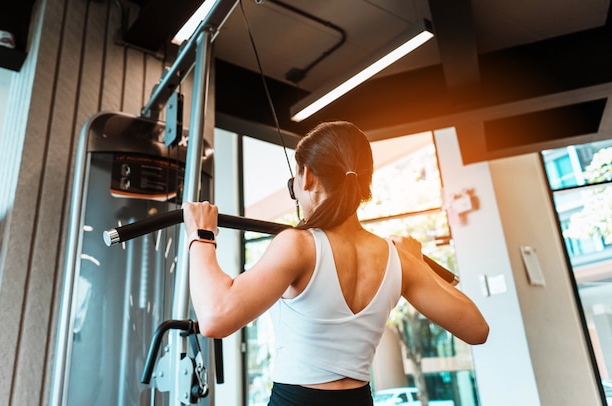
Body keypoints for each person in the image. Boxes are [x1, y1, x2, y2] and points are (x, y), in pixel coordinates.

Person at [182, 121, 489, 406]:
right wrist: (415, 262)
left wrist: (201, 234)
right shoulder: (398, 261)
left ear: (309, 177)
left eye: (295, 184)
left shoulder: (298, 245)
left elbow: (214, 318)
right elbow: (478, 329)